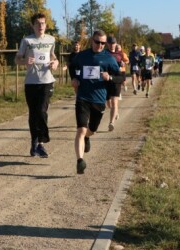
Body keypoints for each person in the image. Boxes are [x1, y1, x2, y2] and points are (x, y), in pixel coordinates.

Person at [70, 30, 120, 174]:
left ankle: (87, 137)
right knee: (80, 129)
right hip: (82, 97)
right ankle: (80, 161)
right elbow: (73, 66)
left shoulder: (109, 58)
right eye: (97, 42)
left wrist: (109, 77)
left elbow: (121, 77)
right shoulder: (82, 56)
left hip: (98, 100)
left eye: (103, 43)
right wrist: (74, 78)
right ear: (92, 41)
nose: (100, 45)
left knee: (92, 130)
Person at [15, 13, 59, 158]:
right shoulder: (27, 41)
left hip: (46, 81)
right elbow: (17, 59)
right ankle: (34, 141)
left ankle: (41, 143)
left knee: (41, 110)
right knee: (33, 114)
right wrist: (25, 62)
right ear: (32, 25)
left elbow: (54, 57)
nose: (41, 26)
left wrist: (55, 63)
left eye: (43, 23)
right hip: (31, 82)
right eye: (38, 23)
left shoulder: (51, 40)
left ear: (46, 25)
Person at [105, 36, 127, 131]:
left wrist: (122, 66)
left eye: (113, 43)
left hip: (116, 79)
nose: (112, 45)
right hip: (106, 80)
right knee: (109, 103)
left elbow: (124, 65)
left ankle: (111, 123)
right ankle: (115, 111)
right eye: (110, 43)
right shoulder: (104, 53)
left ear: (115, 43)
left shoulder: (120, 54)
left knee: (114, 102)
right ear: (107, 44)